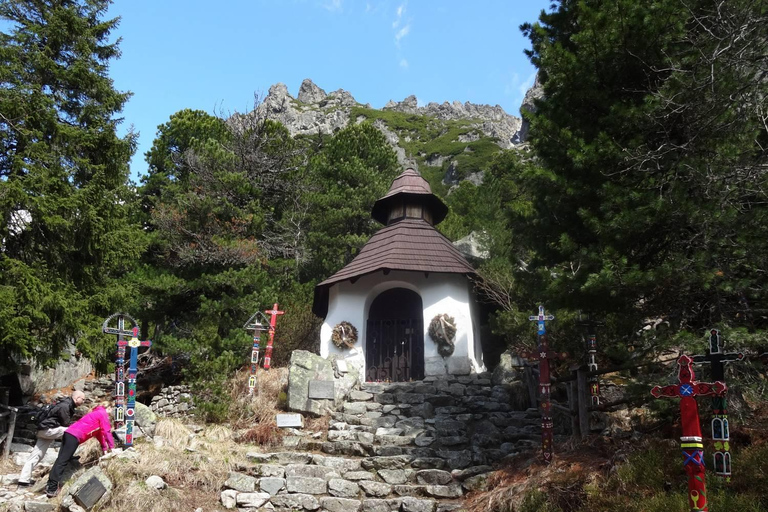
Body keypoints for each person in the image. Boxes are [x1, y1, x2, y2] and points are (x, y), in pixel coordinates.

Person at [45, 403, 115, 498]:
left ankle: (50, 484)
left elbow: (99, 434)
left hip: (69, 433)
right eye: (111, 410)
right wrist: (113, 448)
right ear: (109, 407)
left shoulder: (97, 412)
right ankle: (52, 489)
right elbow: (106, 431)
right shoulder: (102, 414)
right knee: (62, 461)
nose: (111, 413)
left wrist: (104, 449)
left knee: (61, 459)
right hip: (74, 436)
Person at [18, 390, 85, 486]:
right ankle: (68, 455)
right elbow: (66, 423)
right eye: (83, 399)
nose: (83, 401)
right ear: (77, 398)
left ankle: (23, 480)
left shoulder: (64, 403)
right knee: (71, 431)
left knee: (37, 455)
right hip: (48, 430)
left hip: (43, 430)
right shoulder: (65, 406)